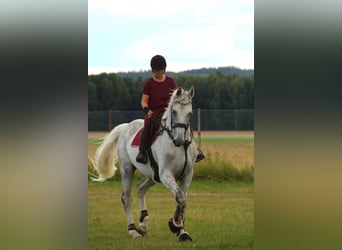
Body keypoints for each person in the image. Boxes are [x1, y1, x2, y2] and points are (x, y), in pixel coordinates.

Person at [136, 55, 205, 164]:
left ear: (164, 69)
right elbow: (144, 100)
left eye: (161, 70)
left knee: (185, 123)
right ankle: (142, 151)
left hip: (169, 112)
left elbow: (177, 97)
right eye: (156, 70)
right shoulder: (149, 83)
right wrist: (146, 109)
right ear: (152, 70)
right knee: (148, 124)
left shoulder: (170, 81)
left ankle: (194, 150)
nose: (159, 72)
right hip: (154, 113)